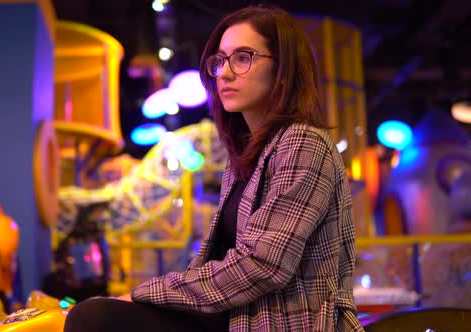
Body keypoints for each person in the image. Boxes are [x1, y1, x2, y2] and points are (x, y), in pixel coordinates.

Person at [64, 5, 363, 332]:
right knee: (93, 313)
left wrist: (144, 294)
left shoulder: (303, 141)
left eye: (243, 57)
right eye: (219, 61)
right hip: (236, 320)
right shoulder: (244, 159)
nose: (224, 73)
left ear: (283, 68)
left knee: (93, 319)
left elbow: (263, 265)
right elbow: (218, 262)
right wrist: (144, 296)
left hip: (287, 323)